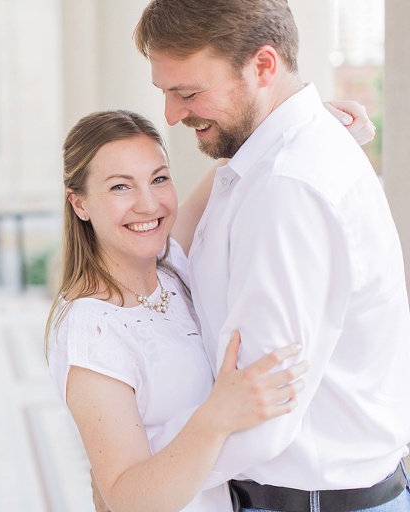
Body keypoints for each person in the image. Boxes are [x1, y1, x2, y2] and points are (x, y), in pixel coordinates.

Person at [131, 1, 410, 511]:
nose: (171, 114)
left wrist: (142, 476)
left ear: (263, 66)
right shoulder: (271, 161)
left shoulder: (287, 188)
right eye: (166, 92)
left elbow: (261, 414)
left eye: (188, 92)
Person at [46, 109, 308, 512]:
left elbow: (228, 170)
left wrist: (303, 122)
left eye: (159, 178)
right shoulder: (92, 326)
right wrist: (217, 416)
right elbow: (124, 498)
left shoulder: (171, 264)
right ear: (79, 203)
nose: (148, 204)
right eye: (120, 187)